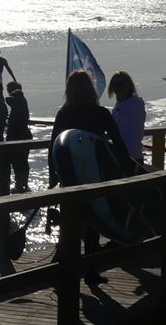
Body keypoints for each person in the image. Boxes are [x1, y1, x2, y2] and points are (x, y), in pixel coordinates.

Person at [49, 70, 127, 285]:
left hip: (69, 175)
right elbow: (119, 145)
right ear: (90, 89)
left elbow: (53, 146)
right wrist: (124, 168)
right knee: (94, 222)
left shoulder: (63, 114)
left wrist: (52, 176)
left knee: (70, 222)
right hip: (95, 175)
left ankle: (65, 271)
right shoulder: (100, 113)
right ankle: (91, 272)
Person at [108, 70, 146, 162]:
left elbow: (136, 134)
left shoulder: (134, 105)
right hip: (120, 154)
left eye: (121, 84)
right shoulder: (120, 105)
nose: (118, 88)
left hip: (132, 157)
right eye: (115, 85)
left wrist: (124, 154)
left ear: (128, 85)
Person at [5, 81, 32, 193]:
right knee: (23, 162)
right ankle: (23, 183)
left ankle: (19, 185)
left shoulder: (19, 100)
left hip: (17, 136)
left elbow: (7, 99)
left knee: (17, 162)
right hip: (24, 134)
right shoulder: (22, 103)